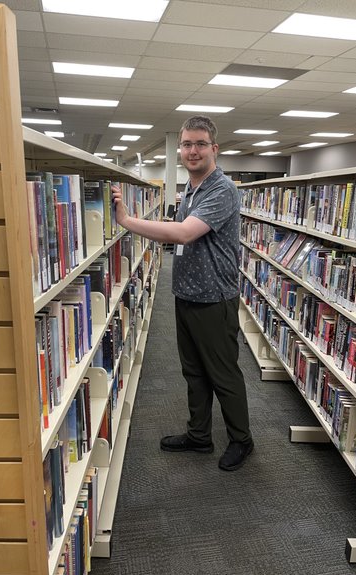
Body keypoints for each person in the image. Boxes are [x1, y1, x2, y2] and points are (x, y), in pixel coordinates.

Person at [112, 115, 253, 471]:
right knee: (193, 373)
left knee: (223, 375)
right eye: (187, 144)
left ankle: (242, 439)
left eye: (200, 144)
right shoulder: (191, 188)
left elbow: (184, 234)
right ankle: (199, 436)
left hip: (214, 298)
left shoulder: (221, 189)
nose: (192, 150)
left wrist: (129, 222)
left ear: (214, 149)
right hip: (187, 295)